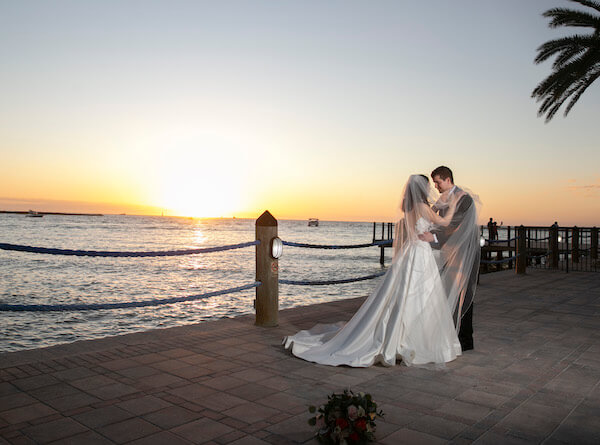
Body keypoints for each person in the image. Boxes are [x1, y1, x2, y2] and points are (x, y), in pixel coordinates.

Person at [283, 175, 465, 367]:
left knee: (404, 294)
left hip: (411, 251)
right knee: (419, 295)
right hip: (420, 253)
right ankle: (412, 338)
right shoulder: (422, 207)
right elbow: (444, 222)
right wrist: (453, 205)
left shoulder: (409, 207)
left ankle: (402, 335)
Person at [419, 166, 481, 351]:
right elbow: (434, 220)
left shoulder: (464, 199)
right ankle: (447, 334)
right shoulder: (443, 199)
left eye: (438, 182)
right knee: (447, 291)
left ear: (447, 179)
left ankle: (465, 340)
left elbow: (457, 224)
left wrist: (435, 238)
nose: (436, 186)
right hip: (449, 251)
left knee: (464, 294)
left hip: (464, 251)